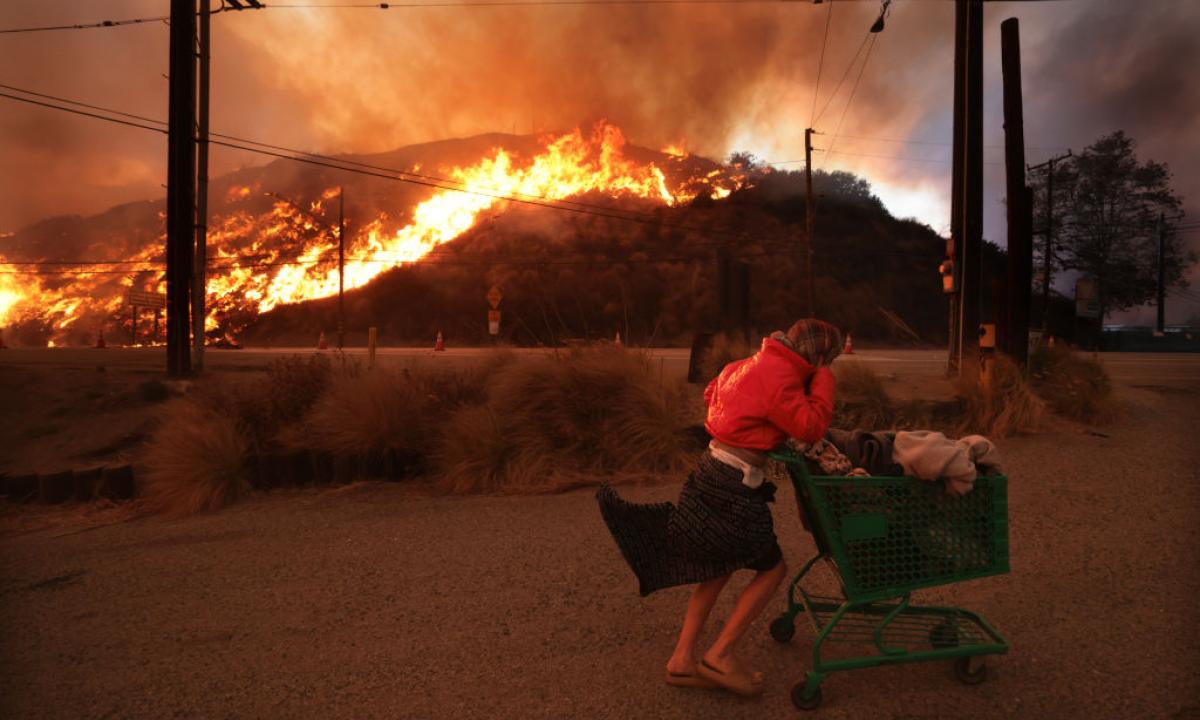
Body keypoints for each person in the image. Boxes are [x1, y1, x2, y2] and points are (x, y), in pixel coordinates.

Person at [596, 319, 842, 697]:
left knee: (717, 566)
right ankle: (720, 655)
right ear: (818, 356)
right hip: (735, 483)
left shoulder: (747, 363)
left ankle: (681, 661)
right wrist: (823, 380)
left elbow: (711, 393)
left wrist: (750, 423)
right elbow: (810, 426)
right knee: (772, 569)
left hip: (710, 468)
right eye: (827, 361)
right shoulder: (781, 375)